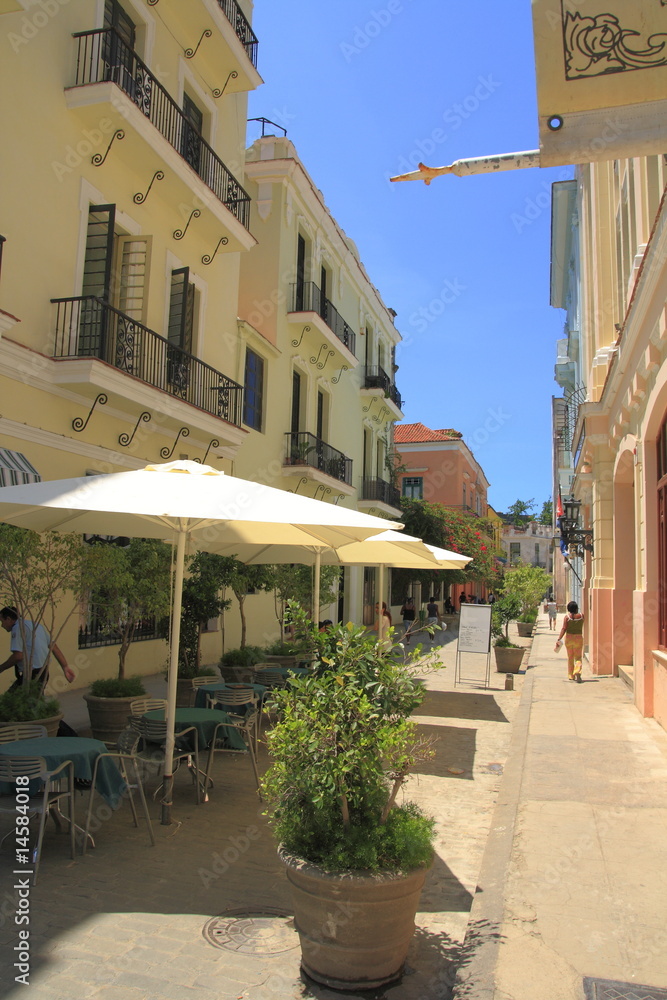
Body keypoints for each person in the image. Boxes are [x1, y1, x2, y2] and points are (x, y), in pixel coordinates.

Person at [0, 606, 74, 690]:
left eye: (2, 621)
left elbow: (18, 656)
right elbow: (54, 647)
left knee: (12, 700)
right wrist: (65, 667)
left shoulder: (18, 628)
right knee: (32, 701)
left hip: (32, 674)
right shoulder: (35, 624)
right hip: (44, 672)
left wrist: (1, 668)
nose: (2, 625)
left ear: (9, 619)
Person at [555, 601, 584, 682]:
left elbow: (564, 628)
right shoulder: (582, 616)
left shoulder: (567, 617)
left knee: (570, 657)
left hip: (569, 638)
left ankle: (571, 675)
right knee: (578, 657)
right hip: (578, 637)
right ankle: (578, 671)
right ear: (576, 608)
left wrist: (559, 638)